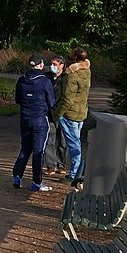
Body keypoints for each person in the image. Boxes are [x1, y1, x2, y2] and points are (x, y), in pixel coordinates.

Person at [12, 54, 56, 191]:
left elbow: (18, 100)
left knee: (25, 148)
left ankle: (17, 176)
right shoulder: (45, 81)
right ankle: (37, 181)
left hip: (25, 119)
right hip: (40, 120)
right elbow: (51, 102)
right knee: (39, 151)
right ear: (41, 65)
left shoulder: (21, 80)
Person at [54, 47, 91, 183]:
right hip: (81, 111)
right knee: (76, 142)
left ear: (75, 57)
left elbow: (67, 99)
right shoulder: (86, 71)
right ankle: (76, 171)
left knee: (74, 144)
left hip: (70, 114)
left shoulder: (72, 75)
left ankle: (75, 174)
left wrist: (58, 113)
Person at [44, 55, 68, 176]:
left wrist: (60, 111)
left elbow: (66, 97)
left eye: (55, 64)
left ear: (62, 66)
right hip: (49, 113)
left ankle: (61, 165)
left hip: (62, 114)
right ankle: (50, 165)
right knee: (49, 140)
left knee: (63, 141)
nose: (52, 66)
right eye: (51, 64)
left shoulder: (66, 78)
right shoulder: (47, 77)